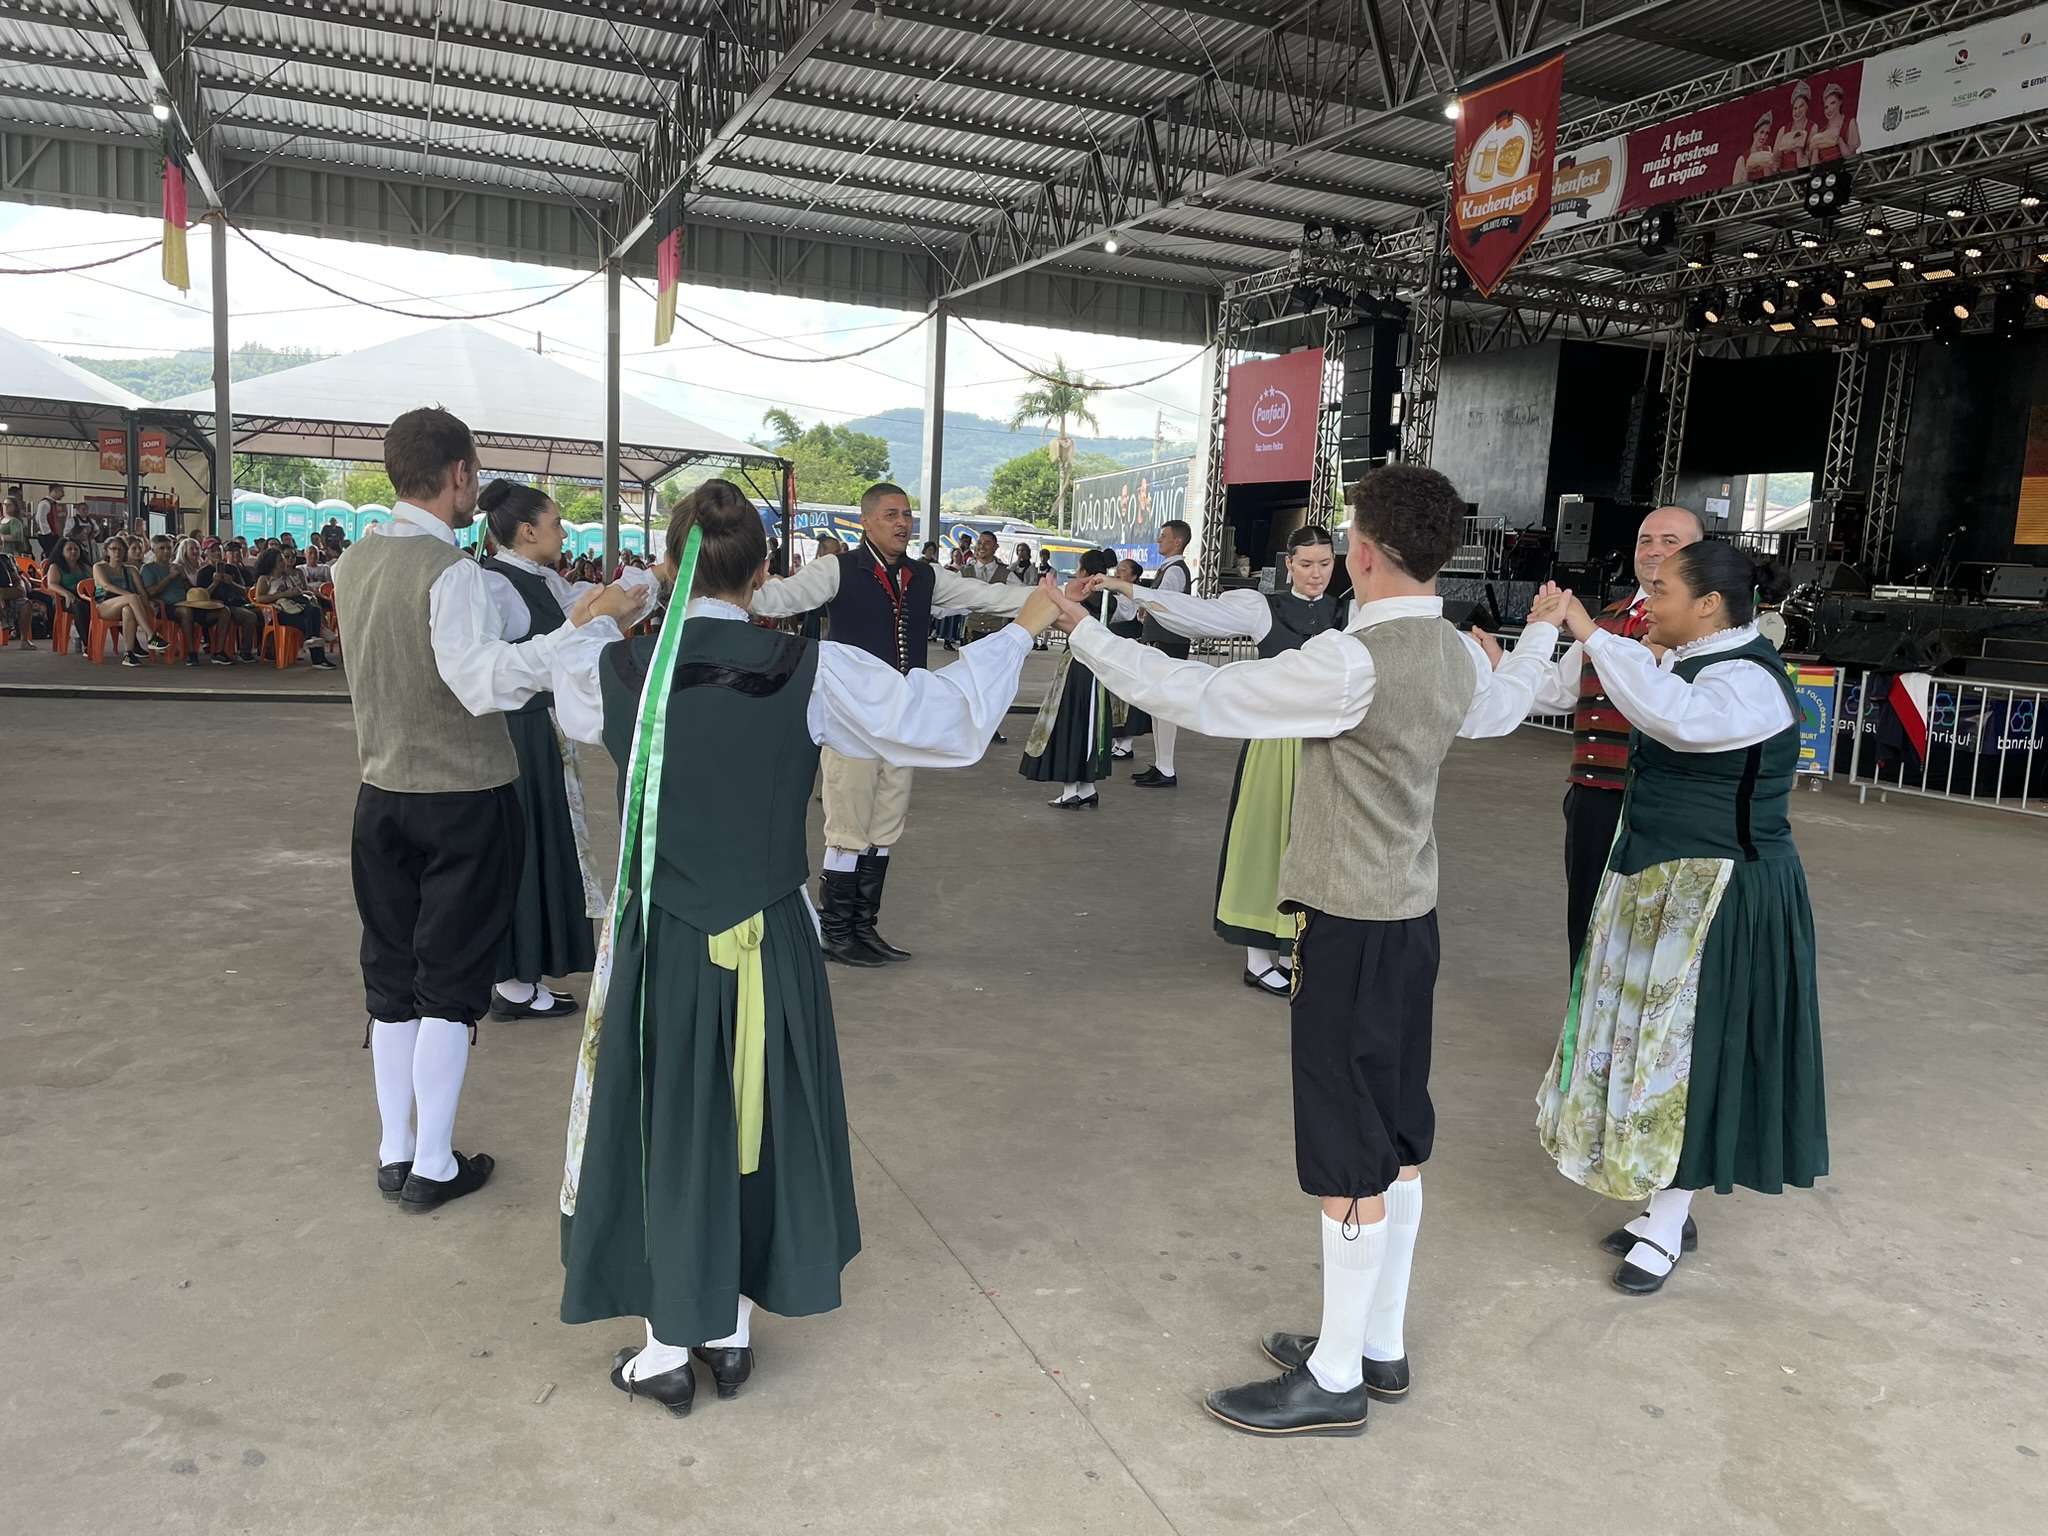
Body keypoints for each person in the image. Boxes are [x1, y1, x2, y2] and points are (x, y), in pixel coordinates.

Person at [1041, 465, 1557, 1437]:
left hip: (1347, 923)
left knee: (1346, 1148)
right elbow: (1502, 707)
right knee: (1395, 1132)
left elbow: (1202, 694)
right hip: (1410, 919)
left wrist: (1084, 632)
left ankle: (1334, 1375)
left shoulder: (1350, 662)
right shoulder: (1453, 652)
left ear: (1361, 552)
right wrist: (1534, 640)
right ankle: (1376, 1341)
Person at [547, 479, 1057, 1416]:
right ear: (766, 574)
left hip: (663, 940)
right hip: (772, 933)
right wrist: (1020, 629)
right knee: (760, 1124)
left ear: (670, 565)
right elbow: (942, 718)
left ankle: (667, 1346)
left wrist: (611, 606)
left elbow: (560, 669)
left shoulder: (618, 668)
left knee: (670, 1123)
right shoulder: (809, 668)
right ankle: (733, 1331)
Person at [331, 406, 644, 1216]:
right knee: (448, 981)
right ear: (460, 474)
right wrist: (579, 634)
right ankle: (434, 1161)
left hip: (380, 792)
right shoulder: (454, 573)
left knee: (390, 973)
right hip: (462, 798)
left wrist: (571, 622)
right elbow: (483, 682)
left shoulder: (352, 563)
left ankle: (395, 1149)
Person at [1529, 544, 1825, 1295]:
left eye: (1661, 591)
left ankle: (1668, 1222)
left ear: (1709, 604)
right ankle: (1663, 1203)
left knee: (1692, 1054)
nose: (1647, 603)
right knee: (1654, 1046)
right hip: (1665, 882)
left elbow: (1677, 720)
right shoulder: (1692, 662)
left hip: (1722, 893)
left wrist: (1591, 634)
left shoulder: (1748, 680)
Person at [746, 482, 1030, 968]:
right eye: (892, 515)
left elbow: (990, 595)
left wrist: (1053, 598)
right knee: (848, 824)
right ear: (867, 521)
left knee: (886, 823)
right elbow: (778, 599)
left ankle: (864, 926)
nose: (903, 523)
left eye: (907, 515)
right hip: (852, 718)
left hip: (903, 718)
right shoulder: (837, 570)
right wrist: (730, 583)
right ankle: (836, 931)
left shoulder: (924, 576)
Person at [1098, 525, 1344, 997]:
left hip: (1331, 743)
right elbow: (1195, 614)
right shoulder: (1263, 608)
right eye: (1306, 564)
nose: (1316, 573)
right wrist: (1128, 589)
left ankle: (1299, 949)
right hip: (1275, 741)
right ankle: (1258, 959)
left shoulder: (1349, 611)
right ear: (1288, 565)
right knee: (1264, 841)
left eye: (1325, 563)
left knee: (1319, 846)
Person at [1481, 506, 1703, 964]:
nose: (1654, 550)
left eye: (1670, 541)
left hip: (1662, 797)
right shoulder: (1607, 618)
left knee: (1653, 925)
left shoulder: (1704, 628)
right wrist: (1504, 662)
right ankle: (1580, 1010)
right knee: (1587, 916)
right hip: (1593, 796)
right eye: (1645, 540)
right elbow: (1561, 692)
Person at [475, 479, 626, 1023]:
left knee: (539, 843)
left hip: (538, 728)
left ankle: (522, 975)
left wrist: (646, 585)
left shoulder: (538, 578)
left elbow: (586, 612)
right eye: (557, 524)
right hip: (516, 732)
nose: (564, 534)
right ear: (528, 530)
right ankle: (511, 981)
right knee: (522, 847)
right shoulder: (494, 585)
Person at [1019, 549, 1120, 809]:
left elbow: (1057, 618)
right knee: (1090, 724)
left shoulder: (1079, 598)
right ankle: (1087, 788)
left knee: (1069, 721)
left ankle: (1070, 790)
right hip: (1099, 666)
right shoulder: (1110, 599)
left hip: (1077, 664)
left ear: (1084, 571)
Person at [1129, 518, 1194, 789]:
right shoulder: (1170, 569)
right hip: (1164, 641)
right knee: (1159, 706)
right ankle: (1161, 764)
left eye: (1164, 536)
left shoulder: (1175, 571)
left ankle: (1166, 767)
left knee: (1165, 706)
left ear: (1177, 541)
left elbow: (1163, 602)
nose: (1159, 540)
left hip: (1169, 643)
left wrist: (1145, 602)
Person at [92, 535, 169, 666]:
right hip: (105, 605)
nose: (117, 552)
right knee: (132, 598)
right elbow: (106, 586)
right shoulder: (99, 567)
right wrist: (130, 596)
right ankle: (151, 636)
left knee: (127, 610)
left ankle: (128, 654)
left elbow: (141, 591)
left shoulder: (131, 570)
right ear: (106, 551)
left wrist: (143, 600)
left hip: (128, 605)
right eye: (113, 549)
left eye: (120, 549)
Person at [253, 547, 336, 668]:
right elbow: (260, 598)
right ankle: (318, 657)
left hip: (294, 608)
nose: (284, 563)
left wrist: (297, 592)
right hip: (277, 614)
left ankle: (315, 644)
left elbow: (294, 593)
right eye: (281, 561)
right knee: (310, 624)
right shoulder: (265, 579)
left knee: (314, 610)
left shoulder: (287, 577)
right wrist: (283, 594)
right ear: (272, 563)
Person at [197, 542, 263, 661]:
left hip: (239, 603)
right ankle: (244, 651)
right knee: (249, 616)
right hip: (219, 606)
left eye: (219, 550)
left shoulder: (232, 569)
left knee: (264, 612)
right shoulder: (203, 573)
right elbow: (201, 596)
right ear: (206, 555)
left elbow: (244, 591)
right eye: (213, 551)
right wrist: (215, 583)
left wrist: (231, 583)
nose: (217, 553)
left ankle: (264, 648)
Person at [42, 536, 94, 653]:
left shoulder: (84, 566)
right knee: (79, 607)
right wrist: (67, 594)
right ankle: (88, 644)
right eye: (69, 549)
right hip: (63, 599)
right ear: (62, 552)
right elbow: (51, 585)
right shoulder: (55, 567)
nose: (73, 552)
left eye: (76, 549)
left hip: (85, 596)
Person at [0, 537, 42, 647]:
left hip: (8, 594)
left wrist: (19, 588)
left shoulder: (6, 559)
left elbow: (17, 580)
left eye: (1, 543)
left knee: (26, 604)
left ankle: (24, 640)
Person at [35, 484, 68, 560]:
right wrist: (48, 533)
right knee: (51, 555)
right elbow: (40, 518)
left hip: (52, 534)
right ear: (55, 491)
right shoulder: (45, 503)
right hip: (47, 535)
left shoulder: (51, 503)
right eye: (61, 491)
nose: (63, 494)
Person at [0, 486, 27, 560]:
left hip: (10, 553)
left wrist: (2, 537)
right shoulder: (1, 520)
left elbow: (16, 536)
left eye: (9, 505)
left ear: (14, 507)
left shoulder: (14, 521)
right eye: (4, 504)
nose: (6, 507)